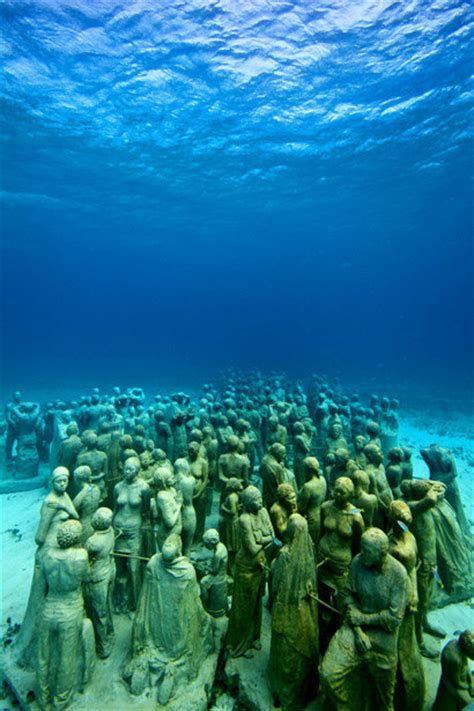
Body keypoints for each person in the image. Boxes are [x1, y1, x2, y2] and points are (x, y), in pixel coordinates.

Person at [320, 528, 409, 711]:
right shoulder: (357, 562)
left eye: (367, 550)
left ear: (382, 553)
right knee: (328, 674)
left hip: (384, 636)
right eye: (361, 548)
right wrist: (358, 630)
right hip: (354, 628)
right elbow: (349, 597)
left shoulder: (398, 574)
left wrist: (363, 619)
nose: (361, 553)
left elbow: (394, 618)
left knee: (384, 696)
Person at [127, 534, 214, 703]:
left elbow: (145, 597)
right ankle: (170, 669)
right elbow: (193, 607)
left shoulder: (153, 563)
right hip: (177, 634)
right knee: (203, 624)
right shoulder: (187, 571)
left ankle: (146, 661)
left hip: (152, 625)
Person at [17, 467, 79, 667]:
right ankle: (31, 649)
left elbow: (75, 515)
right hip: (50, 550)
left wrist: (68, 510)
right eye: (59, 481)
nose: (63, 484)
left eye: (65, 480)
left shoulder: (65, 496)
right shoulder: (51, 502)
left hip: (61, 546)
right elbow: (40, 535)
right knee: (42, 597)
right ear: (52, 482)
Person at [36, 519, 91, 711]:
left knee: (43, 656)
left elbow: (43, 582)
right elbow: (86, 577)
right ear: (77, 537)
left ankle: (43, 698)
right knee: (66, 659)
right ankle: (60, 700)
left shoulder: (47, 555)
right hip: (70, 610)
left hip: (49, 609)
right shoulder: (80, 556)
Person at [269, 514, 319, 711]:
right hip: (305, 609)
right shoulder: (309, 549)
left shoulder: (285, 554)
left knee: (285, 648)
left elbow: (275, 586)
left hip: (287, 608)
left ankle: (282, 692)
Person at [226, 486, 274, 657]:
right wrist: (265, 538)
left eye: (261, 498)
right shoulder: (244, 519)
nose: (260, 502)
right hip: (246, 568)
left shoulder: (263, 512)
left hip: (260, 565)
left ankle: (254, 636)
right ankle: (240, 643)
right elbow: (252, 549)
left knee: (256, 604)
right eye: (256, 500)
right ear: (247, 503)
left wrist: (261, 538)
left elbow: (272, 536)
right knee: (243, 606)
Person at [113, 456, 151, 612]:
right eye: (125, 468)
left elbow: (147, 511)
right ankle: (118, 600)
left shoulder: (144, 488)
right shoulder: (117, 487)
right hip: (118, 529)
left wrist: (145, 529)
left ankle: (135, 603)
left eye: (130, 469)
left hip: (134, 531)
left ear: (137, 471)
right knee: (117, 567)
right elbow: (115, 508)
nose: (126, 472)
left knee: (133, 568)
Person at [84, 507, 115, 659]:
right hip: (109, 570)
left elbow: (84, 560)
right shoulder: (111, 531)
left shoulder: (93, 541)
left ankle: (103, 645)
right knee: (107, 606)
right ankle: (110, 633)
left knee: (98, 612)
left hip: (97, 578)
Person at [433, 630, 474, 710]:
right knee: (469, 703)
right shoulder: (456, 660)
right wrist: (469, 687)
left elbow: (466, 667)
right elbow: (458, 683)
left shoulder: (458, 645)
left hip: (459, 679)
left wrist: (471, 681)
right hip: (452, 686)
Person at [297, 456, 327, 548]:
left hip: (311, 520)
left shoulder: (308, 486)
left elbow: (301, 508)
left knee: (310, 545)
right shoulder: (323, 479)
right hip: (322, 515)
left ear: (307, 470)